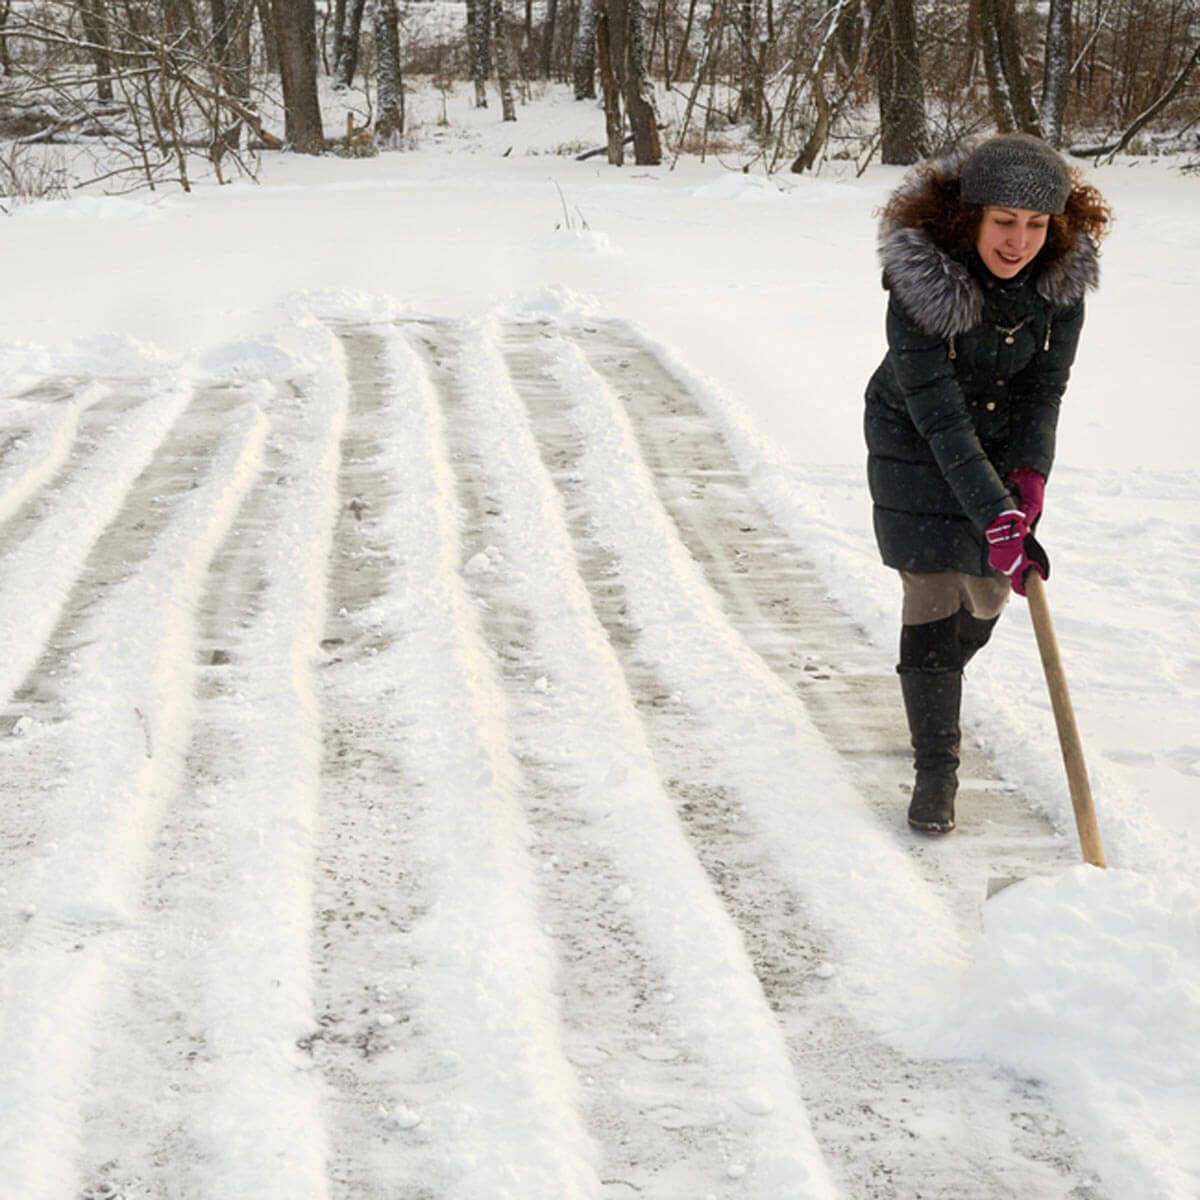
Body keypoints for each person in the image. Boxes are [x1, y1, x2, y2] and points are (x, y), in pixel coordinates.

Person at [864, 133, 1112, 833]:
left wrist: (1026, 487)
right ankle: (936, 769)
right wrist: (994, 513)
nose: (1019, 240)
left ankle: (939, 674)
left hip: (1000, 443)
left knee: (985, 595)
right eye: (1004, 220)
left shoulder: (1060, 285)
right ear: (968, 216)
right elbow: (938, 412)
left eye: (1036, 224)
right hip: (913, 434)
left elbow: (1044, 392)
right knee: (933, 588)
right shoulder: (922, 285)